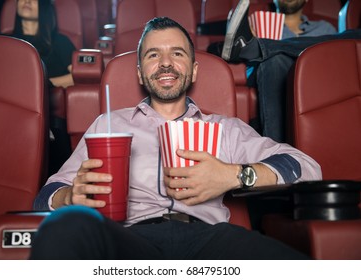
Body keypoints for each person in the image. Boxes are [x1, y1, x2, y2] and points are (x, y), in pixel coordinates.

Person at [29, 16, 322, 260]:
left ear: (193, 72)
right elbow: (45, 195)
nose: (166, 63)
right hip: (130, 240)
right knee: (62, 227)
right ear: (141, 74)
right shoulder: (108, 124)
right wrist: (69, 196)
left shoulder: (225, 128)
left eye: (177, 54)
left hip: (211, 242)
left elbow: (305, 167)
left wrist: (235, 175)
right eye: (153, 55)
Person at [213, 0, 361, 142]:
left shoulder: (325, 28)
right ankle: (276, 154)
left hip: (315, 79)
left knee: (351, 38)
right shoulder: (259, 23)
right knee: (274, 60)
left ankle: (255, 48)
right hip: (273, 74)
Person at [8, 0, 76, 174]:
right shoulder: (5, 41)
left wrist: (43, 82)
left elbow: (76, 76)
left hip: (50, 113)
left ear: (45, 8)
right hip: (11, 107)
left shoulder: (60, 41)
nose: (27, 1)